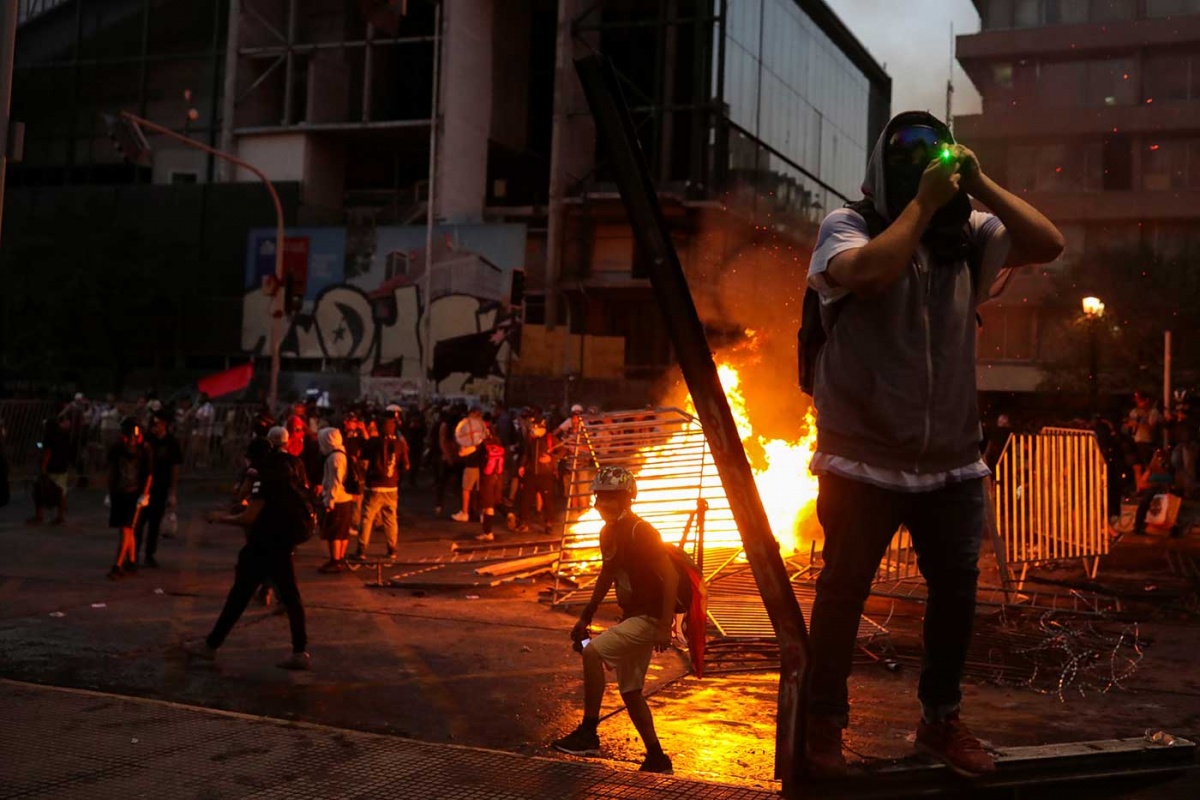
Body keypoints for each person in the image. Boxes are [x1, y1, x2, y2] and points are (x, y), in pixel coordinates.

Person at [803, 111, 1064, 778]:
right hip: (861, 454)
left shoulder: (969, 236)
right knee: (843, 594)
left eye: (934, 152)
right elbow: (869, 273)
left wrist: (982, 183)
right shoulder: (848, 225)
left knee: (955, 596)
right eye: (910, 154)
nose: (925, 163)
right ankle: (823, 726)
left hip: (949, 459)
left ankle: (940, 720)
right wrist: (920, 205)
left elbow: (1049, 242)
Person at [551, 466, 677, 775]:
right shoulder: (608, 532)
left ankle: (589, 732)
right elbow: (607, 574)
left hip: (648, 617)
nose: (601, 504)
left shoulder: (641, 531)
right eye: (599, 497)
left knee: (593, 652)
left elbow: (671, 576)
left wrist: (664, 625)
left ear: (626, 499)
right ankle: (657, 757)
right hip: (633, 616)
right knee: (630, 691)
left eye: (609, 497)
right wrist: (586, 616)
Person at [184, 442, 311, 670]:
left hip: (264, 543)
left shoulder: (263, 476)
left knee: (239, 596)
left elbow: (249, 517)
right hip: (283, 541)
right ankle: (300, 652)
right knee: (291, 596)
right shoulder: (287, 468)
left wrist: (219, 518)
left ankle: (210, 646)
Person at [355, 410, 410, 561]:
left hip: (373, 485)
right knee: (390, 519)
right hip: (391, 486)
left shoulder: (374, 442)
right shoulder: (399, 444)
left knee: (367, 518)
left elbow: (362, 455)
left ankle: (361, 550)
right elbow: (406, 466)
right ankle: (392, 549)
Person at [106, 417, 154, 580]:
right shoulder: (117, 449)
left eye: (136, 436)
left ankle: (117, 565)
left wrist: (145, 494)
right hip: (119, 493)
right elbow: (111, 471)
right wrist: (109, 491)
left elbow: (148, 474)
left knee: (126, 529)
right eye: (130, 437)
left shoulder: (144, 450)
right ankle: (132, 561)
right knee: (128, 530)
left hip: (135, 494)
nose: (133, 440)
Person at [134, 409, 182, 568]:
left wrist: (172, 492)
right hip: (143, 488)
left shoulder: (172, 443)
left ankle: (149, 554)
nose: (154, 426)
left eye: (157, 423)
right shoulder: (147, 439)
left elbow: (175, 467)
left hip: (160, 488)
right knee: (138, 522)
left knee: (154, 523)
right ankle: (133, 553)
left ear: (165, 425)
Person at [317, 427, 355, 573]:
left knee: (334, 532)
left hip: (338, 499)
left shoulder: (335, 457)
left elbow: (335, 482)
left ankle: (336, 560)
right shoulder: (341, 452)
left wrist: (329, 501)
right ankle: (340, 558)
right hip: (344, 498)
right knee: (342, 531)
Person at [515, 414, 557, 534]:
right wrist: (522, 465)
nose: (533, 429)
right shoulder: (530, 439)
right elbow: (526, 453)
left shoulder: (550, 439)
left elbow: (563, 450)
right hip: (531, 474)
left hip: (546, 475)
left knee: (548, 501)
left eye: (535, 426)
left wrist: (551, 458)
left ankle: (549, 524)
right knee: (525, 500)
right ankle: (524, 522)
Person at [29, 412, 73, 526]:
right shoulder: (64, 436)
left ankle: (39, 514)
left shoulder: (49, 438)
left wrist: (43, 468)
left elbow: (48, 453)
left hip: (51, 468)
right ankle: (60, 516)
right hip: (62, 467)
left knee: (39, 490)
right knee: (61, 491)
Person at [452, 404, 488, 522]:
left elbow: (469, 444)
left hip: (472, 463)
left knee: (466, 489)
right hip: (484, 464)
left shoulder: (470, 426)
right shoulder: (485, 428)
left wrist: (463, 452)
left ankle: (465, 512)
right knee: (480, 491)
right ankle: (483, 514)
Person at [475, 425, 507, 542]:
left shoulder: (483, 445)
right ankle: (507, 515)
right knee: (492, 504)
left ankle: (487, 532)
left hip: (487, 477)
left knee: (487, 506)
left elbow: (476, 458)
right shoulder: (498, 442)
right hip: (498, 477)